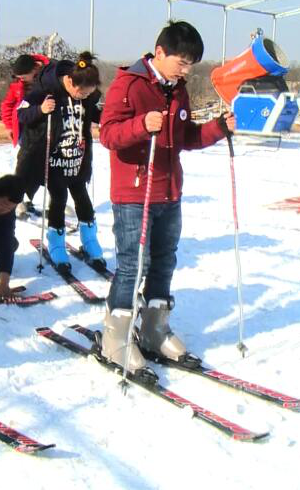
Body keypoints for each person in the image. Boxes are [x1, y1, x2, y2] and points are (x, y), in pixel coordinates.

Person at [98, 20, 236, 380]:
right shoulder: (128, 85)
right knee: (133, 265)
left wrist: (219, 128)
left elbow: (185, 137)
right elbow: (108, 135)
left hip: (170, 191)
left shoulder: (178, 90)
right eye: (182, 62)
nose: (186, 70)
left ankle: (154, 329)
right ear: (160, 52)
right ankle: (116, 337)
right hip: (135, 193)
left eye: (191, 64)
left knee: (164, 261)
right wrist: (141, 125)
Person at [17, 52, 105, 271]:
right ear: (71, 83)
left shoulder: (86, 96)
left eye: (89, 93)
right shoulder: (46, 90)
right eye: (82, 92)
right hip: (55, 162)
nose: (84, 96)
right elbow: (21, 114)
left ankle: (90, 240)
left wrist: (111, 118)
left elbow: (98, 115)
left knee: (83, 200)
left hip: (78, 160)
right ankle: (56, 244)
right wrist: (41, 110)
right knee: (58, 199)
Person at [3, 54, 49, 217]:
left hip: (46, 130)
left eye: (23, 76)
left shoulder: (48, 78)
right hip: (25, 131)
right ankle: (19, 200)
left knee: (43, 168)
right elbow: (8, 106)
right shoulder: (17, 87)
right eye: (19, 77)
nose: (21, 80)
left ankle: (37, 199)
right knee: (25, 165)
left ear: (35, 69)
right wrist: (9, 126)